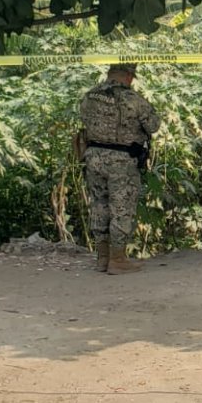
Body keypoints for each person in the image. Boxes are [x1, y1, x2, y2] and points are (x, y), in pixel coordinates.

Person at [79, 63, 160, 274]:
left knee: (99, 204)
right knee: (121, 208)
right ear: (128, 76)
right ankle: (118, 259)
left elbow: (84, 121)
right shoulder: (132, 99)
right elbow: (153, 125)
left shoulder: (89, 96)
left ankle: (102, 258)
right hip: (121, 160)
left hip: (93, 157)